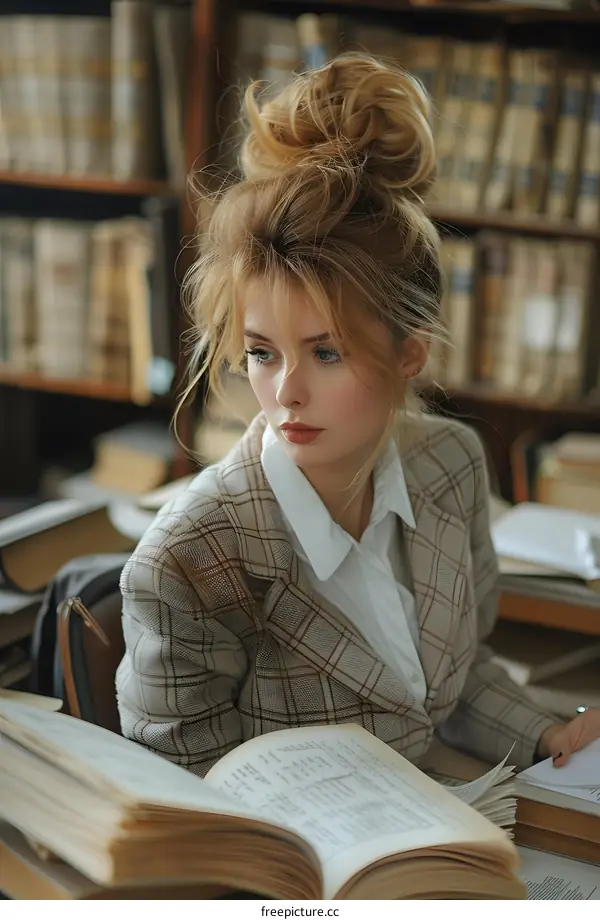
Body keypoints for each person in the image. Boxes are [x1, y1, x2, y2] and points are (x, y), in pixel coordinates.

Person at [116, 53, 600, 778]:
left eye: (327, 353)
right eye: (261, 352)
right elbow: (181, 806)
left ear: (411, 352)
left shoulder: (453, 463)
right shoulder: (187, 560)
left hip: (437, 818)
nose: (285, 392)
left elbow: (454, 680)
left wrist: (550, 731)